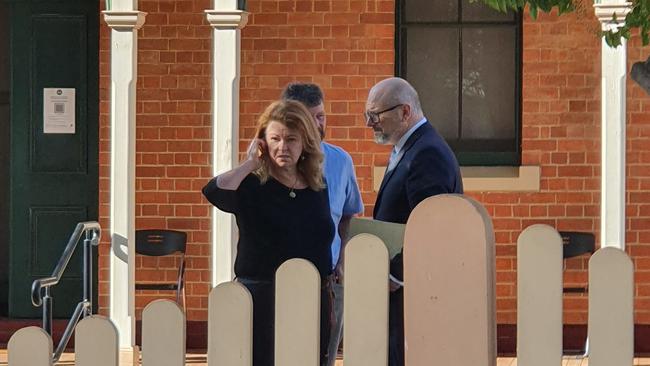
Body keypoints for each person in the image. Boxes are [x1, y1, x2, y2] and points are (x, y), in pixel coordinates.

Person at [202, 100, 334, 366]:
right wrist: (250, 163)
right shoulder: (252, 185)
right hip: (262, 300)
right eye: (274, 138)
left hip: (311, 299)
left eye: (291, 139)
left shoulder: (317, 186)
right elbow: (215, 192)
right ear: (262, 142)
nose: (283, 147)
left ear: (305, 142)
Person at [365, 77, 463, 366]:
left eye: (375, 115)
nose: (370, 123)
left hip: (415, 290)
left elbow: (433, 225)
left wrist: (396, 274)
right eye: (367, 115)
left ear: (405, 112)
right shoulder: (410, 148)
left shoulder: (426, 153)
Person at [281, 82, 364, 366]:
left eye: (321, 116)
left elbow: (348, 215)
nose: (318, 124)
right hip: (279, 280)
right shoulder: (270, 162)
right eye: (310, 117)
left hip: (328, 281)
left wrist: (342, 261)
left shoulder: (341, 161)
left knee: (323, 357)